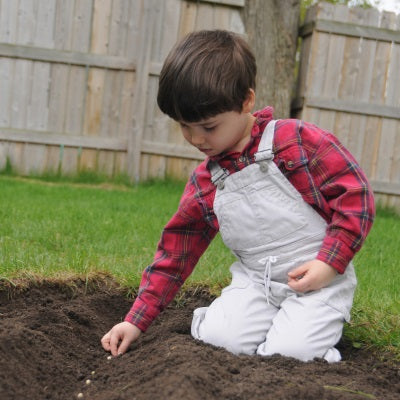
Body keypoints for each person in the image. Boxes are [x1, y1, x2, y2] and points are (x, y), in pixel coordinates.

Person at [101, 30, 375, 362]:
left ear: (246, 101)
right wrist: (135, 321)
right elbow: (176, 254)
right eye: (184, 126)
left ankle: (312, 333)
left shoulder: (295, 143)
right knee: (219, 339)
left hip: (318, 281)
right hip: (256, 285)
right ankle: (250, 319)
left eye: (208, 126)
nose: (195, 139)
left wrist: (330, 263)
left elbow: (355, 196)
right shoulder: (206, 183)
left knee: (289, 353)